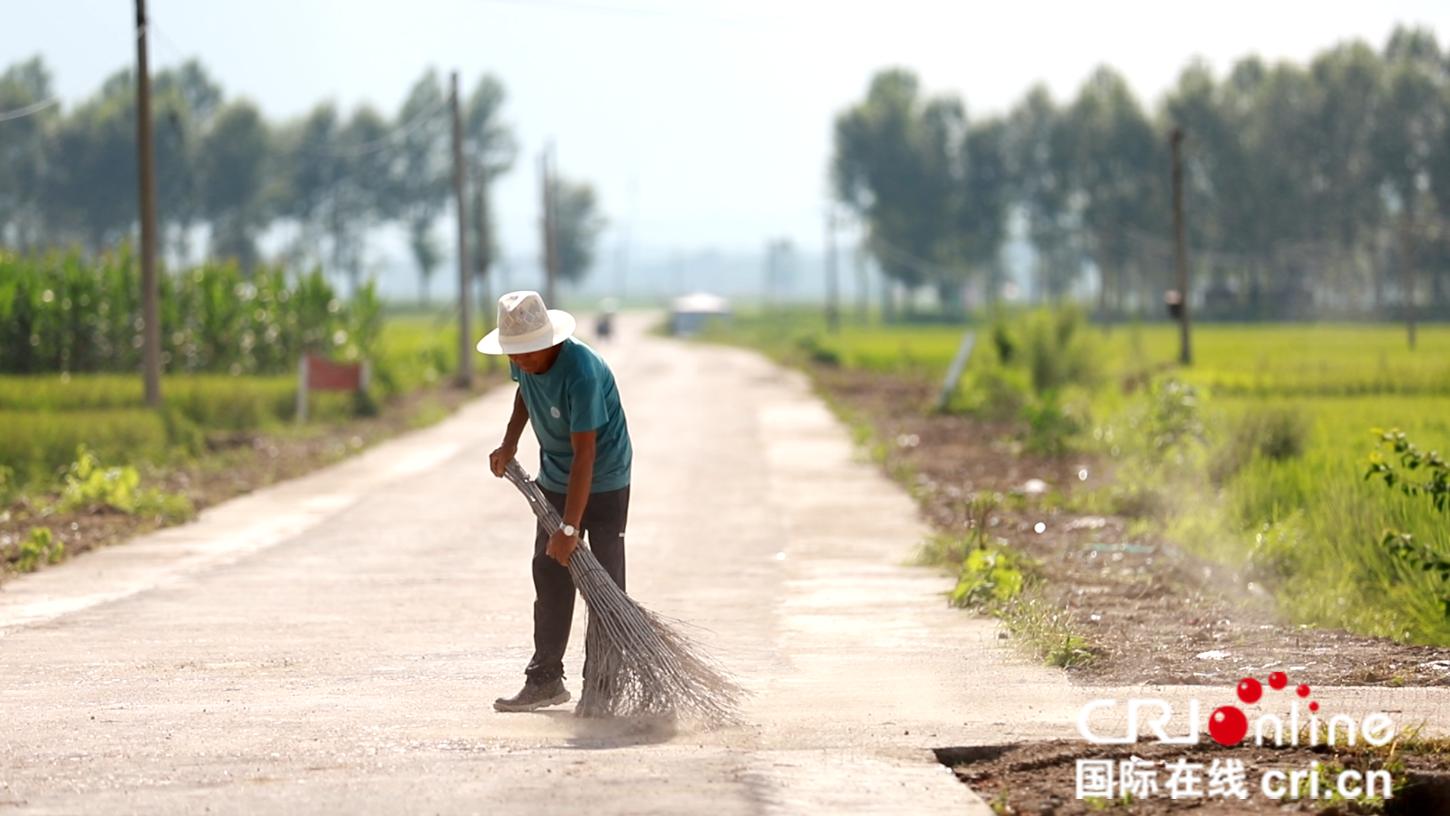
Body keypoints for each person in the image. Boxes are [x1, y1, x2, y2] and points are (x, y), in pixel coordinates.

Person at [477, 290, 633, 712]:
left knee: (604, 583)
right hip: (556, 476)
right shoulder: (525, 363)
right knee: (548, 571)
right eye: (513, 355)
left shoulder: (582, 371)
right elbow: (525, 394)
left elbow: (587, 454)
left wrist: (569, 528)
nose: (519, 363)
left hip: (604, 478)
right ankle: (545, 679)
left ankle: (602, 685)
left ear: (550, 342)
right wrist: (509, 443)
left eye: (526, 355)